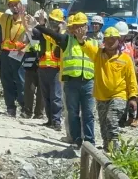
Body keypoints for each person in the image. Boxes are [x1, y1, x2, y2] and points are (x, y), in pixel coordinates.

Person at [36, 12, 96, 148]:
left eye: (82, 26)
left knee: (88, 114)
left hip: (88, 82)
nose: (80, 29)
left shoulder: (93, 42)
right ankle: (76, 140)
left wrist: (82, 41)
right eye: (76, 26)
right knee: (73, 113)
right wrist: (40, 25)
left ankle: (90, 142)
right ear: (72, 28)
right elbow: (50, 34)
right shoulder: (66, 41)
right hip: (71, 83)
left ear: (87, 27)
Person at [90, 27, 138, 153]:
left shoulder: (126, 59)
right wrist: (80, 40)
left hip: (119, 95)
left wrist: (133, 97)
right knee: (104, 127)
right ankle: (107, 150)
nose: (110, 42)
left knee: (111, 120)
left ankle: (115, 152)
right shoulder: (98, 55)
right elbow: (86, 47)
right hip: (101, 96)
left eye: (113, 39)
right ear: (104, 41)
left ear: (119, 41)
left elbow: (131, 79)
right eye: (107, 39)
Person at [35, 9, 64, 131]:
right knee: (46, 95)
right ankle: (50, 120)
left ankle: (56, 121)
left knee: (56, 96)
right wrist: (40, 24)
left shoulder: (62, 36)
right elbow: (34, 33)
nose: (53, 23)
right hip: (43, 67)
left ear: (60, 23)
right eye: (51, 20)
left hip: (56, 69)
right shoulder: (44, 33)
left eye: (56, 21)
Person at [21, 16, 45, 119]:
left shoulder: (45, 33)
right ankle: (27, 111)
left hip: (42, 65)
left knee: (41, 91)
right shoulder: (28, 33)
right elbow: (25, 42)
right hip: (30, 65)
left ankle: (39, 113)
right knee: (29, 90)